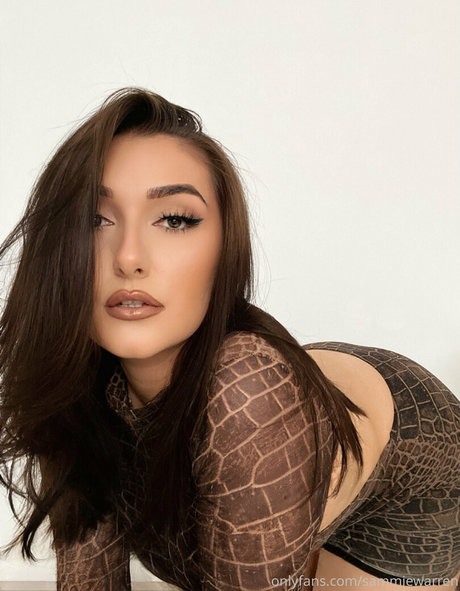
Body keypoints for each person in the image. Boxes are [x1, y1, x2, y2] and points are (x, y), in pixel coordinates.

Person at [0, 88, 459, 591]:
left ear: (225, 247)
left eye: (174, 219)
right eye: (95, 219)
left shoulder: (248, 394)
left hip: (411, 470)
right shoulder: (72, 378)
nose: (128, 257)